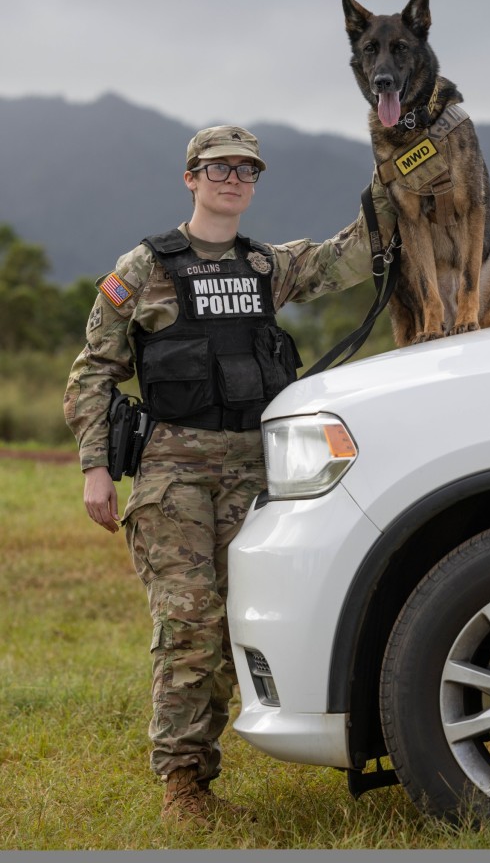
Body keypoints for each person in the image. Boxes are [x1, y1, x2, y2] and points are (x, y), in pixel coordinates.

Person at [63, 125, 397, 828]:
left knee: (243, 624)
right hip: (172, 474)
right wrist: (97, 467)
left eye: (247, 169)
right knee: (190, 622)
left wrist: (391, 184)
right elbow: (94, 369)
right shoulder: (146, 266)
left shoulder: (264, 267)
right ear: (192, 177)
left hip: (254, 474)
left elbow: (348, 258)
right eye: (218, 168)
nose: (233, 179)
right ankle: (183, 785)